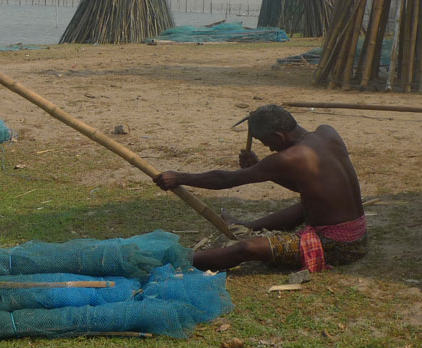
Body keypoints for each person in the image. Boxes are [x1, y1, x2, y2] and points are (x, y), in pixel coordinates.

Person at [153, 105, 367, 273]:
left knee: (246, 249)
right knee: (307, 205)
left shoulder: (289, 158)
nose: (270, 148)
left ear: (279, 136)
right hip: (358, 233)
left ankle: (175, 260)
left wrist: (180, 178)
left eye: (267, 143)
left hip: (338, 246)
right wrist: (260, 167)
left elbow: (225, 179)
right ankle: (248, 226)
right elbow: (309, 185)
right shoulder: (327, 132)